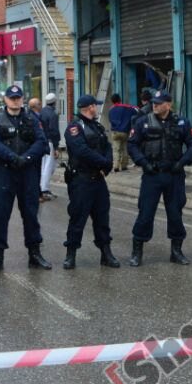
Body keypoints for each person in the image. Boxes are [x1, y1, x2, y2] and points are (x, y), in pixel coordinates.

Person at [126, 89, 192, 266]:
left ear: (169, 104)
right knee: (145, 213)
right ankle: (137, 252)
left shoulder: (182, 122)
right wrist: (143, 163)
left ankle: (176, 251)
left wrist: (182, 162)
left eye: (159, 103)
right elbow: (132, 145)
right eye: (154, 103)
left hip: (174, 174)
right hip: (152, 174)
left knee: (175, 213)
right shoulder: (143, 122)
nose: (155, 106)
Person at [0, 84, 52, 271]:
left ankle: (35, 254)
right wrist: (12, 157)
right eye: (12, 97)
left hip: (27, 172)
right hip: (4, 172)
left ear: (22, 99)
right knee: (0, 215)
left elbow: (41, 141)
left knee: (31, 214)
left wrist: (27, 158)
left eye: (18, 97)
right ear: (5, 100)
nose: (15, 100)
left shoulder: (32, 118)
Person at [61, 94, 118, 269]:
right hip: (81, 180)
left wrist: (108, 164)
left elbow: (107, 147)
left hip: (98, 180)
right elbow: (81, 151)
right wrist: (103, 162)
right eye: (95, 105)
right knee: (78, 218)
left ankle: (106, 253)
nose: (97, 108)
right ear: (89, 107)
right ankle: (71, 254)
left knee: (102, 218)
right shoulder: (75, 127)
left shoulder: (98, 126)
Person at [37, 91, 61, 202]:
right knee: (49, 166)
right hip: (50, 142)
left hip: (42, 141)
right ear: (54, 102)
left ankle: (42, 187)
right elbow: (54, 131)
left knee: (43, 166)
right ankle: (44, 189)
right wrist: (56, 147)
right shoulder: (53, 114)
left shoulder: (42, 112)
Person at [107, 93, 138, 171]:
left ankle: (116, 166)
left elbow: (110, 120)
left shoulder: (111, 110)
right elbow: (137, 112)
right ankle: (124, 165)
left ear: (112, 101)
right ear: (120, 99)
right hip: (125, 132)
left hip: (115, 132)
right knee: (124, 148)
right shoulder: (127, 108)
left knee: (116, 149)